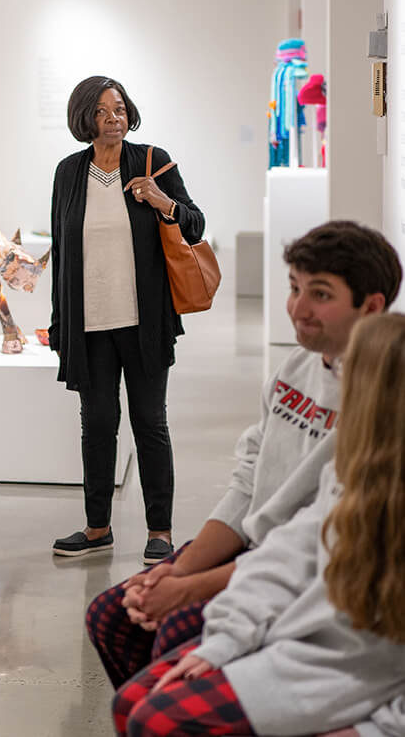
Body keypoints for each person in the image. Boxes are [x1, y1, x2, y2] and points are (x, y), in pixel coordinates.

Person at [87, 220, 401, 688]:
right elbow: (249, 480)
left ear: (372, 306)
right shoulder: (296, 365)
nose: (298, 309)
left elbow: (319, 544)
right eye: (294, 288)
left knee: (171, 630)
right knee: (110, 615)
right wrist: (178, 571)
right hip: (252, 544)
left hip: (301, 568)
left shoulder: (384, 399)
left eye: (320, 294)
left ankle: (169, 705)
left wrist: (188, 588)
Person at [111, 313, 405, 737]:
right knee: (131, 706)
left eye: (353, 381)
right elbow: (286, 556)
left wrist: (373, 731)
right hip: (307, 652)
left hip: (356, 681)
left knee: (157, 719)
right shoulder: (349, 473)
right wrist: (223, 641)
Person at [49, 76, 206, 564]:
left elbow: (196, 225)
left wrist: (164, 202)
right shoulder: (69, 172)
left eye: (118, 108)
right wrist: (59, 324)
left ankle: (160, 531)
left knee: (149, 423)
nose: (113, 118)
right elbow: (61, 251)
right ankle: (97, 528)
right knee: (97, 425)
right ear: (85, 118)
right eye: (101, 111)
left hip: (144, 322)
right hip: (89, 324)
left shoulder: (153, 161)